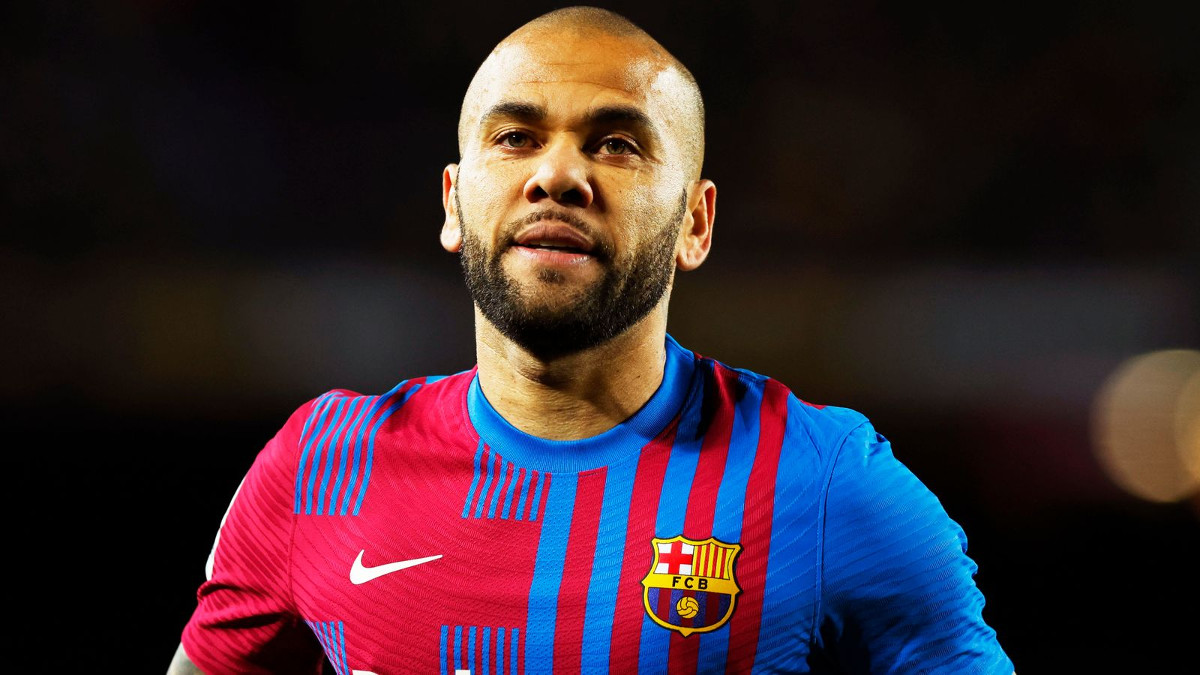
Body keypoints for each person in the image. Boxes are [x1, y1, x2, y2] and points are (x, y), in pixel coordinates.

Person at [169, 6, 1014, 674]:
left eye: (615, 144)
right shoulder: (319, 468)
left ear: (696, 222)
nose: (558, 175)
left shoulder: (825, 484)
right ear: (454, 202)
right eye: (516, 137)